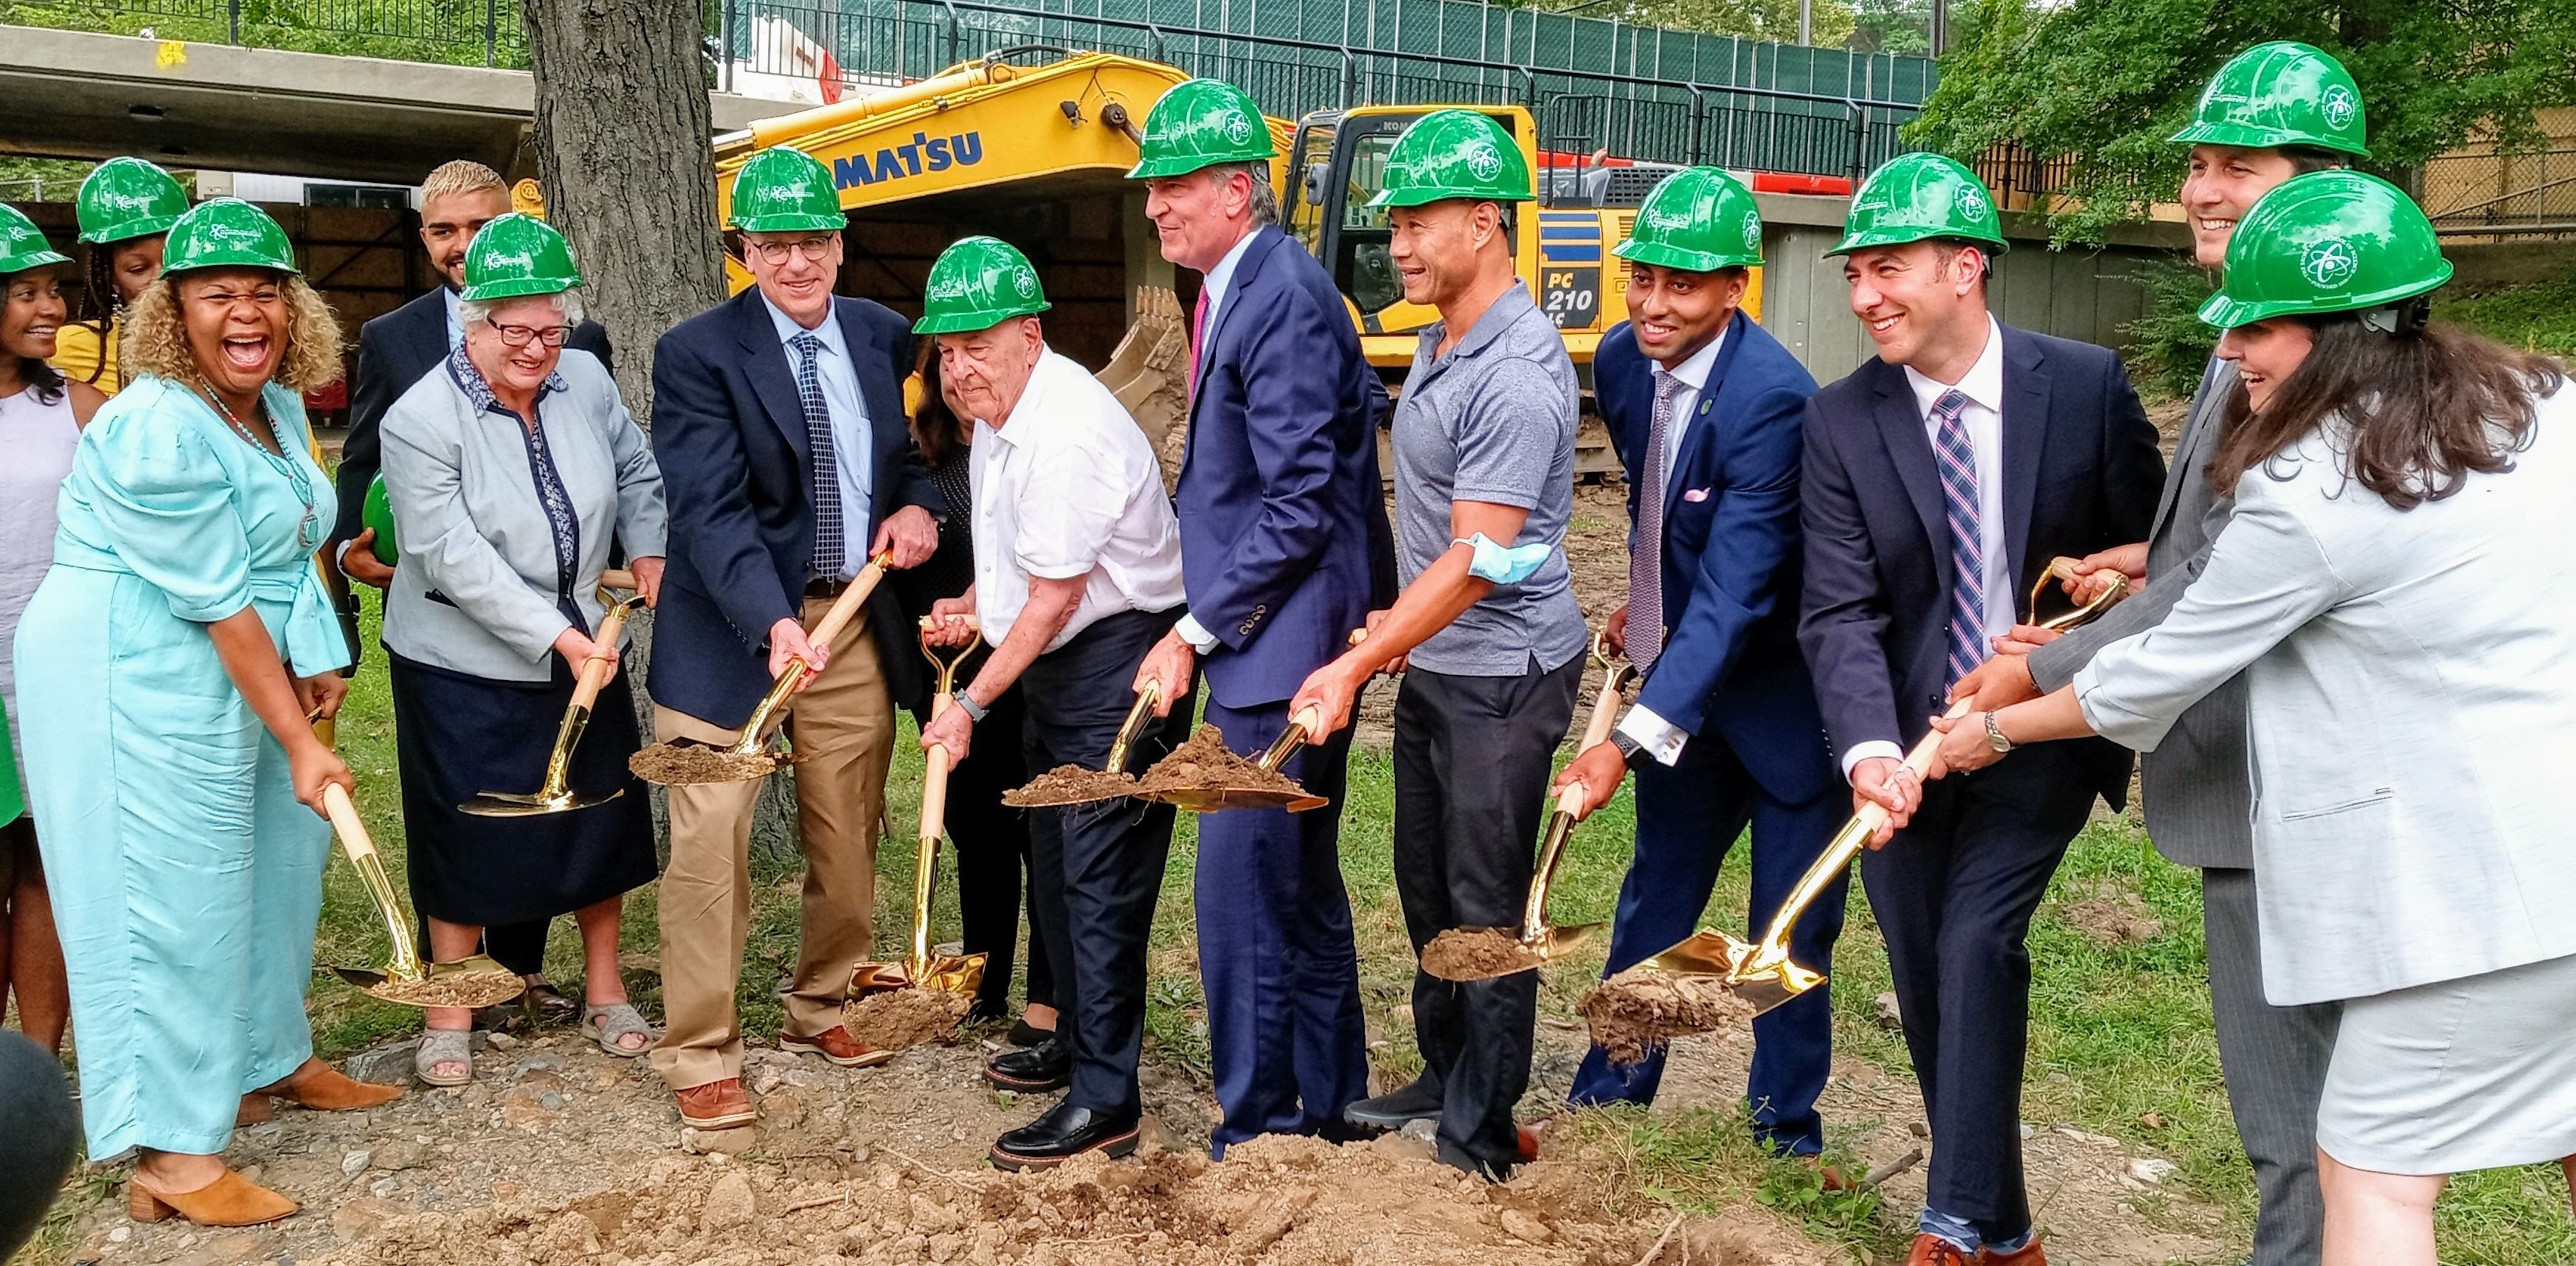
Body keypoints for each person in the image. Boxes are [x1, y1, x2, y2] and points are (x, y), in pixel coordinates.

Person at [1928, 170, 2576, 1266]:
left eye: (2260, 330)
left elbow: (2157, 676)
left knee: (2367, 1172)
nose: (2232, 354)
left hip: (2474, 902)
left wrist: (1993, 731)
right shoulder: (2534, 404)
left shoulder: (2315, 486)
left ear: (2348, 334)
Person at [1946, 42, 2366, 1265]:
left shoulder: (2310, 359)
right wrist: (2141, 555)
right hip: (2271, 797)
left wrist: (2022, 685)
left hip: (2293, 802)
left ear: (2322, 184)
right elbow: (2223, 555)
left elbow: (2220, 606)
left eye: (2238, 164)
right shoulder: (2257, 330)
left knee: (2308, 1139)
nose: (2199, 188)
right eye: (2194, 163)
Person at [1796, 154, 2164, 1265]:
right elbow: (1839, 612)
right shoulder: (1840, 420)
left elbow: (2167, 560)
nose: (1865, 295)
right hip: (1907, 740)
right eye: (1856, 272)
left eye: (1889, 268)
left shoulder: (2086, 385)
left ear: (1967, 268)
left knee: (1976, 941)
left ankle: (1951, 1227)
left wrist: (2102, 595)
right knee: (1919, 958)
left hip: (2043, 727)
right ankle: (2001, 1227)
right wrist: (1871, 753)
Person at [13, 198, 401, 1227]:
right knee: (168, 895)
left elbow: (289, 546)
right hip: (127, 668)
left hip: (234, 663)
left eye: (266, 293)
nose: (248, 313)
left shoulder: (271, 407)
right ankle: (171, 1158)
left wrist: (316, 660)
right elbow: (220, 593)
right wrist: (296, 737)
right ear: (171, 313)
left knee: (281, 858)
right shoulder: (151, 425)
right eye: (218, 294)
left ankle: (266, 1061)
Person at [1287, 110, 1587, 1180]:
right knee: (1427, 883)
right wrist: (1398, 629)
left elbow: (1474, 560)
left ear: (1488, 223)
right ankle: (1442, 1071)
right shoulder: (1441, 336)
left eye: (1419, 224)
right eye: (1394, 224)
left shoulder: (1515, 370)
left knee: (1483, 905)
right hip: (1445, 659)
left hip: (1503, 676)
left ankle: (1484, 1126)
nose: (1399, 244)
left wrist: (1358, 657)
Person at [1543, 169, 1846, 1163]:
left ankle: (1784, 1135)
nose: (1655, 304)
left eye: (1685, 285)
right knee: (1657, 900)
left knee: (1781, 937)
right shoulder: (1626, 362)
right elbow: (1658, 501)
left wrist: (1619, 746)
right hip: (1689, 692)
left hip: (1785, 705)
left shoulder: (1775, 401)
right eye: (1645, 278)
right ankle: (1608, 1106)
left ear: (1736, 288)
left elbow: (1737, 598)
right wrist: (1647, 591)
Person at [1123, 77, 1396, 1154]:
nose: (1155, 208)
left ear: (1239, 189)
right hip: (1285, 639)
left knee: (1241, 903)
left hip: (1275, 653)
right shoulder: (1237, 286)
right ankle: (1327, 1106)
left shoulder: (1277, 294)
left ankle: (1263, 1123)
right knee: (1303, 887)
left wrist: (1196, 630)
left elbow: (1296, 500)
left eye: (1175, 187)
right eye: (1152, 190)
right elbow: (1325, 477)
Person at [646, 145, 940, 1130]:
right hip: (732, 620)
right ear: (746, 250)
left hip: (852, 613)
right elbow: (711, 511)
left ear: (841, 244)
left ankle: (822, 1001)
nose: (797, 261)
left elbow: (922, 455)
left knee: (847, 820)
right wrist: (771, 620)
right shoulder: (696, 353)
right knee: (708, 837)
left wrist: (917, 508)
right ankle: (698, 1051)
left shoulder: (883, 337)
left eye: (812, 240)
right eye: (775, 244)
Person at [912, 236, 1192, 1170]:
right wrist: (972, 607)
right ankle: (1076, 1041)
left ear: (1029, 336)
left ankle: (1108, 1099)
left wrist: (970, 708)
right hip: (1064, 660)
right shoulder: (1003, 412)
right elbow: (1023, 576)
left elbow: (1058, 598)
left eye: (977, 346)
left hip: (1119, 666)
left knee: (1098, 880)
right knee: (1056, 855)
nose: (958, 370)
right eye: (946, 352)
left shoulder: (1066, 428)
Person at [376, 215, 668, 1085]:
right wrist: (559, 637)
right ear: (473, 324)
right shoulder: (420, 418)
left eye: (553, 327)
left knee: (598, 811)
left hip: (585, 634)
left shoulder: (585, 377)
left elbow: (637, 472)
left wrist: (647, 549)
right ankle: (450, 1007)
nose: (539, 348)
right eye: (517, 332)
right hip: (459, 658)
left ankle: (606, 987)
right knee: (462, 828)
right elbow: (448, 555)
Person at [330, 162, 614, 1018]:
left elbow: (615, 464)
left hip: (568, 617)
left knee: (557, 798)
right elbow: (366, 465)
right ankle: (456, 989)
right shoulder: (396, 341)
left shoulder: (579, 353)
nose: (465, 247)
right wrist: (352, 547)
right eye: (445, 231)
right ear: (426, 241)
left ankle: (522, 973)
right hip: (452, 621)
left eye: (481, 228)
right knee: (463, 805)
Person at [888, 341, 1052, 1034]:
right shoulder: (919, 466)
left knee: (1037, 837)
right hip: (948, 679)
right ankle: (983, 984)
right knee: (975, 837)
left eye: (973, 361)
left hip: (1021, 672)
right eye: (941, 369)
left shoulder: (1024, 451)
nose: (959, 380)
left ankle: (1046, 996)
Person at [0, 207, 103, 1059]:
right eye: (26, 292)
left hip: (51, 675)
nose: (50, 308)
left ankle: (37, 1066)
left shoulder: (76, 407)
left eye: (53, 289)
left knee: (47, 867)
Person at [51, 156, 188, 394]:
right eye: (138, 269)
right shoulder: (70, 348)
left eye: (172, 261)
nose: (162, 279)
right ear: (111, 279)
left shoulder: (225, 339)